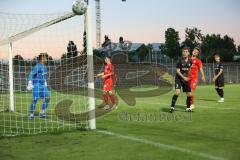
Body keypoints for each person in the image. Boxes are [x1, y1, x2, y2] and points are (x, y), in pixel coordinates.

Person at [27, 54, 50, 119]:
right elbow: (31, 74)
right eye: (45, 58)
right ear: (41, 59)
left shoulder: (45, 67)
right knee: (35, 99)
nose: (46, 59)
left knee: (48, 97)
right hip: (37, 85)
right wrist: (30, 82)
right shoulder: (38, 66)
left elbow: (43, 76)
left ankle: (42, 113)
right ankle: (31, 114)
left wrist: (45, 82)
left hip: (43, 85)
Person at [170, 47, 193, 112]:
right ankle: (172, 107)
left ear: (188, 53)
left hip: (186, 79)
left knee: (189, 94)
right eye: (183, 52)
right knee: (177, 92)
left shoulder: (190, 61)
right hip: (179, 79)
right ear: (182, 53)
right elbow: (178, 71)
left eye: (186, 52)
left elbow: (189, 69)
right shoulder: (179, 61)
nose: (185, 53)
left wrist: (189, 76)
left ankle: (188, 108)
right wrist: (184, 77)